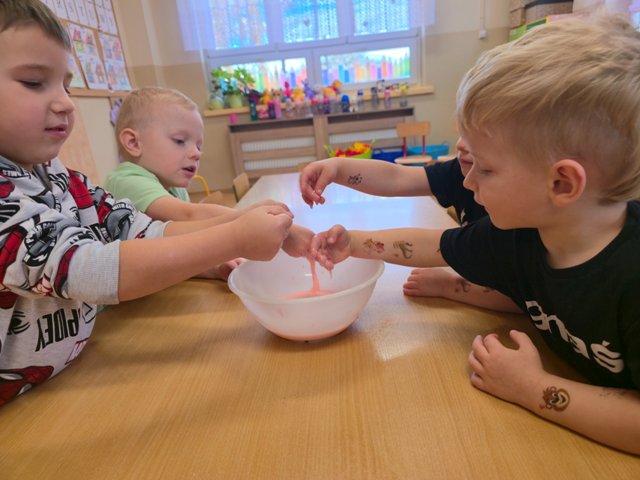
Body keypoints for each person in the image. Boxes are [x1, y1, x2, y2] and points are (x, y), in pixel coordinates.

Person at [310, 14, 640, 454]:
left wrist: (532, 388)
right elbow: (433, 245)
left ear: (562, 184)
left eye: (485, 169)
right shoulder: (520, 235)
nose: (467, 182)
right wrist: (351, 243)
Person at [0, 0, 301, 406]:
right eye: (35, 82)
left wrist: (238, 228)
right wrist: (234, 238)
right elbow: (85, 268)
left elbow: (142, 231)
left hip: (71, 380)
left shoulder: (60, 176)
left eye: (66, 86)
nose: (66, 103)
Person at [105, 86, 313, 278]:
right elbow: (191, 215)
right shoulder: (126, 180)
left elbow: (175, 247)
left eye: (198, 146)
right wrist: (281, 228)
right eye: (180, 141)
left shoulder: (175, 190)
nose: (196, 153)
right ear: (133, 142)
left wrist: (212, 268)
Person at [299, 138, 520, 312]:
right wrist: (337, 168)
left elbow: (518, 297)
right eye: (462, 132)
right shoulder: (460, 172)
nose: (460, 144)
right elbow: (396, 178)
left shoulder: (519, 224)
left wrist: (450, 286)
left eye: (476, 137)